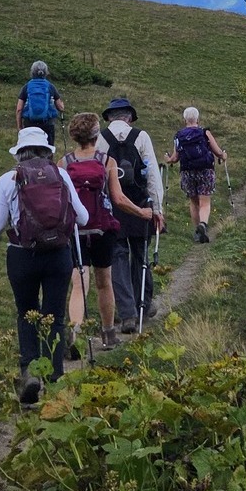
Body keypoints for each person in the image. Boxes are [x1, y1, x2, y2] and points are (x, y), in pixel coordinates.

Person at [0, 126, 89, 404]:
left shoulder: (8, 179)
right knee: (54, 315)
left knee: (27, 311)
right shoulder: (60, 175)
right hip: (59, 254)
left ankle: (30, 372)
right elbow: (83, 218)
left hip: (22, 255)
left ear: (19, 152)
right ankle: (55, 378)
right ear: (46, 151)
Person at [60, 112, 148, 352]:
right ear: (96, 135)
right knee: (104, 283)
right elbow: (118, 198)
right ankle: (108, 334)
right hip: (103, 228)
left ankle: (75, 333)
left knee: (79, 284)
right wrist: (142, 213)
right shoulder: (106, 160)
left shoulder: (65, 163)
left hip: (77, 230)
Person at [97, 98, 165, 334]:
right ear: (129, 118)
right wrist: (157, 209)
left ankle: (127, 314)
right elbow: (153, 174)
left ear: (109, 117)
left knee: (117, 258)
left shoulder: (101, 139)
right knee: (140, 255)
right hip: (139, 205)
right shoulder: (141, 136)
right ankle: (143, 305)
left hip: (112, 206)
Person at [164, 106, 228, 244]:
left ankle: (197, 233)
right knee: (204, 202)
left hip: (187, 172)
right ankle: (203, 224)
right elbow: (217, 152)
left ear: (185, 120)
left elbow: (175, 158)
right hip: (205, 170)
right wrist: (224, 155)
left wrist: (167, 159)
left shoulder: (179, 136)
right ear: (197, 119)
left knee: (193, 202)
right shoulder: (204, 133)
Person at [16, 60, 65, 146]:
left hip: (29, 124)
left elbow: (19, 109)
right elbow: (60, 107)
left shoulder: (26, 87)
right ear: (46, 72)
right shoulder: (50, 86)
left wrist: (20, 127)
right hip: (47, 124)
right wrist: (62, 106)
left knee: (30, 149)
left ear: (32, 72)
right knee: (48, 149)